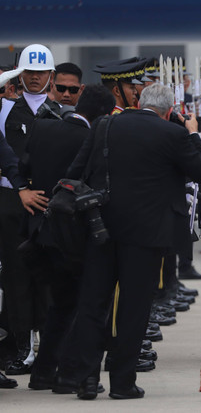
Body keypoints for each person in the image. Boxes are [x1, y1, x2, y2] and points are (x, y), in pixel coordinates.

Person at [55, 83, 201, 400]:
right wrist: (194, 133)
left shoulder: (104, 124)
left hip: (100, 228)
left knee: (92, 303)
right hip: (147, 236)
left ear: (138, 101)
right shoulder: (173, 134)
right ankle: (123, 382)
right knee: (133, 308)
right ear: (169, 111)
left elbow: (76, 172)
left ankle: (86, 380)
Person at [21, 85, 115, 391]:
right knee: (81, 306)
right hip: (74, 237)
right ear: (102, 115)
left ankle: (44, 372)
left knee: (60, 306)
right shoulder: (94, 139)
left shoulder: (43, 129)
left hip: (41, 232)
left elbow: (24, 168)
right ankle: (67, 376)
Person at [0, 44, 61, 376]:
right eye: (29, 72)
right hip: (12, 202)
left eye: (41, 73)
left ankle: (46, 344)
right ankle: (21, 345)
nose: (35, 78)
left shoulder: (63, 112)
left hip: (50, 204)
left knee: (50, 278)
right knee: (16, 276)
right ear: (19, 74)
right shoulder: (5, 112)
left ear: (50, 75)